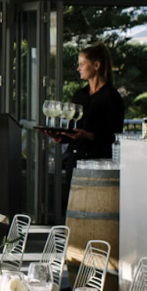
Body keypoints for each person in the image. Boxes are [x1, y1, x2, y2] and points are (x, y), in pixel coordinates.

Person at [53, 41, 125, 217]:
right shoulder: (80, 95)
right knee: (74, 207)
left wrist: (89, 135)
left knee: (93, 209)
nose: (78, 68)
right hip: (76, 158)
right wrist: (62, 136)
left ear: (96, 65)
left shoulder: (112, 98)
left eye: (82, 64)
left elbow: (114, 134)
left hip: (98, 161)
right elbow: (72, 127)